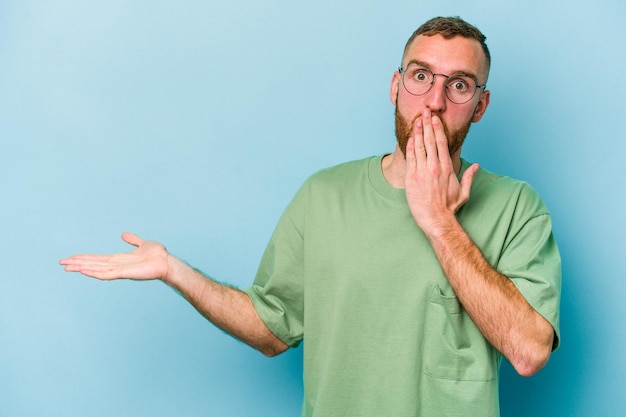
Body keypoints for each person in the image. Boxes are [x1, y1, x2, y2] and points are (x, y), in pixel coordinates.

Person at [60, 16, 561, 416]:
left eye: (459, 85)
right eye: (421, 75)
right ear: (395, 85)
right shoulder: (323, 195)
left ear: (479, 106)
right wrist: (176, 271)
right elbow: (271, 329)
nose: (433, 100)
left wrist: (439, 222)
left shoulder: (517, 206)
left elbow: (529, 351)